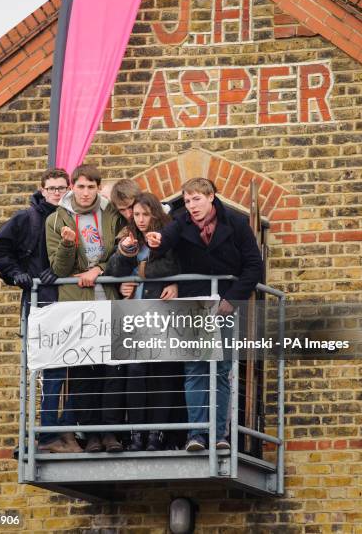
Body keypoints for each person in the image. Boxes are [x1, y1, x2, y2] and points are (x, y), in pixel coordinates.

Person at [146, 178, 263, 452]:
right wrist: (156, 241)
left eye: (196, 199)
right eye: (187, 201)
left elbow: (254, 266)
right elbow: (165, 245)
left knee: (221, 371)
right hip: (194, 305)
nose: (191, 206)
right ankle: (197, 435)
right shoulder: (180, 221)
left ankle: (219, 435)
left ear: (211, 196)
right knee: (196, 369)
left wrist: (232, 300)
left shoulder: (235, 222)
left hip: (224, 305)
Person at [0, 168, 82, 453]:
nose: (56, 192)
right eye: (51, 188)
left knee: (82, 369)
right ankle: (51, 432)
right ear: (42, 190)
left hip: (72, 300)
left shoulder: (76, 217)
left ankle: (64, 428)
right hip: (43, 303)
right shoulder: (26, 219)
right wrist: (17, 273)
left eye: (61, 187)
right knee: (52, 371)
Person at [46, 163, 125, 453]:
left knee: (112, 370)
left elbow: (119, 253)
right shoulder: (56, 220)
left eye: (91, 186)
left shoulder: (111, 214)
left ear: (97, 188)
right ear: (72, 188)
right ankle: (91, 435)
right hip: (77, 304)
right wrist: (68, 245)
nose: (85, 192)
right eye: (80, 186)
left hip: (110, 299)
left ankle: (111, 434)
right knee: (83, 373)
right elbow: (59, 268)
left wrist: (98, 269)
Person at [106, 192, 184, 451]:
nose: (140, 219)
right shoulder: (129, 236)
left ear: (155, 214)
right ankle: (136, 433)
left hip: (162, 314)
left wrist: (143, 273)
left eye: (145, 214)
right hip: (133, 316)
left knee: (162, 375)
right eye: (136, 214)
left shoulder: (167, 235)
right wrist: (124, 254)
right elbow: (113, 271)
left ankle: (156, 434)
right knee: (136, 373)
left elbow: (176, 265)